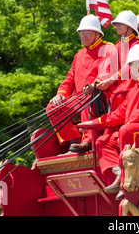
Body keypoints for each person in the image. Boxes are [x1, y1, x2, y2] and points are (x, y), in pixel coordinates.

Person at [78, 44, 139, 196]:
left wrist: (126, 127)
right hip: (137, 127)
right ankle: (118, 173)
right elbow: (120, 113)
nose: (133, 68)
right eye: (131, 65)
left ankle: (126, 181)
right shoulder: (136, 85)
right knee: (102, 142)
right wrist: (92, 124)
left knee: (125, 130)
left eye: (135, 64)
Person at [46, 14, 116, 153]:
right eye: (81, 33)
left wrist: (94, 85)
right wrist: (60, 94)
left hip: (101, 97)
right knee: (52, 107)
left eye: (87, 33)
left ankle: (89, 140)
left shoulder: (109, 48)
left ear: (97, 34)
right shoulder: (79, 55)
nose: (83, 36)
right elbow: (69, 79)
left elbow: (107, 71)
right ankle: (74, 141)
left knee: (87, 98)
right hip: (78, 99)